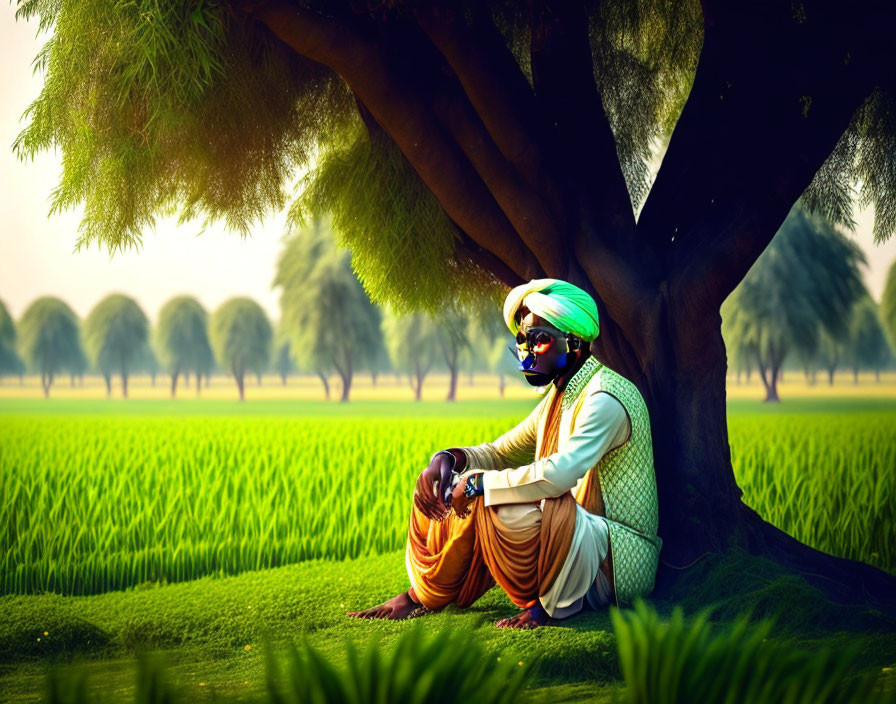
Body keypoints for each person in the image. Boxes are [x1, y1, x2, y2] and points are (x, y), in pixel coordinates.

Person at [348, 279, 661, 628]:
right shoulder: (561, 396)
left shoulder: (605, 397)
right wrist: (447, 461)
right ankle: (421, 595)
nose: (527, 350)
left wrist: (476, 484)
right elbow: (500, 452)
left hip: (618, 560)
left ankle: (552, 607)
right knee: (448, 486)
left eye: (539, 339)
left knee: (503, 496)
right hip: (575, 540)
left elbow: (560, 474)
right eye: (524, 340)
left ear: (575, 343)